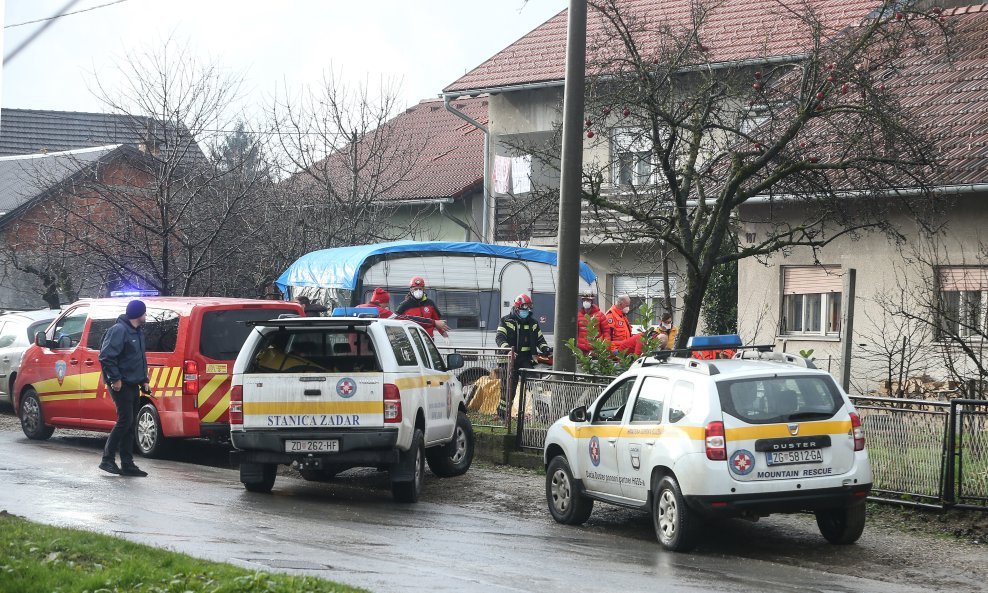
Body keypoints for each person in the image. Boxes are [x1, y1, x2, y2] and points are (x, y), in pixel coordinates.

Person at [98, 300, 151, 477]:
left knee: (130, 423)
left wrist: (144, 380)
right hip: (121, 384)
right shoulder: (119, 330)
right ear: (138, 314)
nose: (146, 315)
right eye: (144, 312)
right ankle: (107, 459)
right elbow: (106, 357)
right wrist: (115, 379)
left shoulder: (137, 332)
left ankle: (127, 464)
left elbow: (139, 359)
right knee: (125, 421)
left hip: (133, 383)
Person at [495, 293, 551, 418]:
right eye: (524, 308)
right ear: (517, 308)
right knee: (508, 389)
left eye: (529, 308)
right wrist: (507, 350)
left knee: (535, 384)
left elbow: (540, 340)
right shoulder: (505, 321)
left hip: (525, 359)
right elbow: (500, 338)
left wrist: (546, 349)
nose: (527, 311)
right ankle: (503, 416)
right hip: (508, 359)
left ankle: (543, 414)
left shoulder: (533, 323)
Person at [576, 290, 607, 354]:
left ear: (592, 301)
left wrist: (605, 347)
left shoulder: (600, 315)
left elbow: (606, 332)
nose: (586, 302)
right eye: (584, 300)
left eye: (588, 300)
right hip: (582, 350)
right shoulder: (578, 315)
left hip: (596, 349)